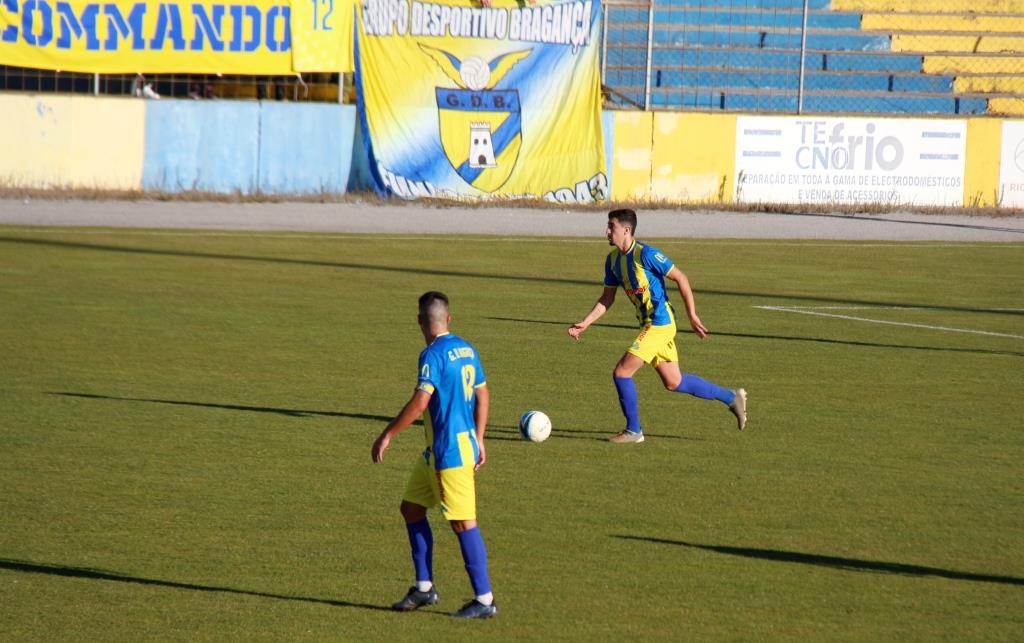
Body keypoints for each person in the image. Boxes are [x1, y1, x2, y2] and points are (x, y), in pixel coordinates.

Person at [567, 209, 747, 443]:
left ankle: (634, 431)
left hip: (660, 324)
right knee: (675, 382)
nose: (607, 231)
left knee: (622, 372)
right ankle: (732, 397)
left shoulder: (647, 254)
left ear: (626, 230)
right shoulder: (612, 261)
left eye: (611, 226)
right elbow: (607, 298)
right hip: (649, 325)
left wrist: (692, 315)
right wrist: (586, 323)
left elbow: (681, 277)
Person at [371, 291, 497, 619]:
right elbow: (483, 394)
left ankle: (484, 599)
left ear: (419, 321)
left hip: (449, 454)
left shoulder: (431, 355)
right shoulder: (467, 348)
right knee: (411, 509)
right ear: (449, 319)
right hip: (445, 450)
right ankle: (424, 588)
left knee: (463, 523)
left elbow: (420, 403)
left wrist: (388, 434)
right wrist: (480, 438)